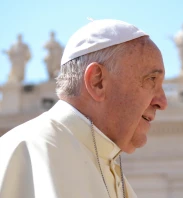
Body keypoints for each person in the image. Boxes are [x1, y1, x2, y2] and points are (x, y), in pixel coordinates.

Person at [0, 19, 167, 198]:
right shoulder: (26, 152)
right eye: (151, 80)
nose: (162, 102)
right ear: (98, 82)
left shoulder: (111, 169)